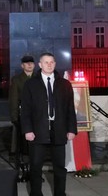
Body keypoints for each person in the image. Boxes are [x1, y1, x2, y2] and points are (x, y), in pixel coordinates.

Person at [21, 52, 77, 196]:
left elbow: (70, 108)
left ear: (55, 64)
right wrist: (27, 130)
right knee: (35, 166)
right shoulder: (31, 84)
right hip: (38, 132)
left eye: (52, 62)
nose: (49, 64)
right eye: (46, 62)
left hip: (58, 131)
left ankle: (60, 193)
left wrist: (72, 129)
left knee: (59, 167)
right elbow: (25, 109)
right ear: (40, 65)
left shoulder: (64, 84)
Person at [9, 55, 35, 163]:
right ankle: (22, 162)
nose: (29, 65)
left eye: (31, 63)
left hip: (38, 113)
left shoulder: (39, 77)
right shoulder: (17, 79)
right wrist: (14, 116)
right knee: (22, 141)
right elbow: (13, 98)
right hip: (23, 113)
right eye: (27, 63)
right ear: (22, 65)